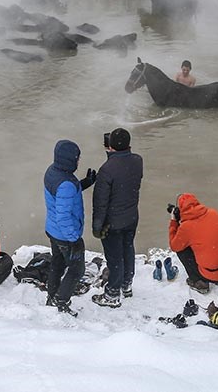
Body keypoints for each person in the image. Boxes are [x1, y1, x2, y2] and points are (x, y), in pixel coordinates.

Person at [90, 128, 143, 308]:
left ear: (110, 146)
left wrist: (97, 226)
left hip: (113, 222)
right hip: (131, 217)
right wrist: (114, 154)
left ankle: (112, 294)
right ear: (129, 144)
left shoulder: (106, 170)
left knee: (115, 258)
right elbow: (124, 174)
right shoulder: (137, 161)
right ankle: (126, 285)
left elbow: (100, 202)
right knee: (128, 250)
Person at [43, 139, 96, 316]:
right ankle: (62, 300)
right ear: (70, 160)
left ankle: (52, 295)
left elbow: (63, 196)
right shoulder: (65, 183)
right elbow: (63, 216)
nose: (79, 161)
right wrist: (74, 240)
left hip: (53, 230)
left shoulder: (53, 172)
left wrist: (85, 183)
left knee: (57, 263)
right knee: (77, 269)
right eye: (77, 158)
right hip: (65, 235)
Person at [168, 193, 218, 295]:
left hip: (213, 275)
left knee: (181, 249)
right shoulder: (214, 213)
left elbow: (174, 246)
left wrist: (174, 221)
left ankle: (199, 282)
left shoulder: (186, 227)